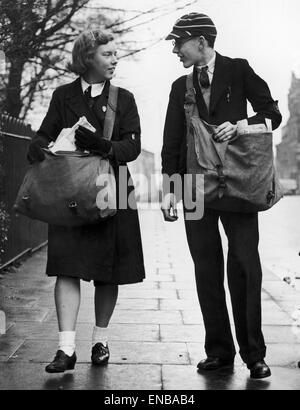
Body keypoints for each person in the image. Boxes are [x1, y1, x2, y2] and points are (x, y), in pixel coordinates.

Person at [161, 13, 282, 379]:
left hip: (238, 186)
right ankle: (219, 352)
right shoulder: (179, 86)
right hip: (195, 190)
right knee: (206, 269)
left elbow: (272, 114)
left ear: (201, 41)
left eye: (178, 42)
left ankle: (253, 354)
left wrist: (241, 124)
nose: (174, 49)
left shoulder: (239, 69)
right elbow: (171, 143)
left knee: (245, 265)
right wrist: (170, 189)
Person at [27, 29, 145, 373]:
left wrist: (102, 145)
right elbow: (46, 133)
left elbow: (132, 147)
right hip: (71, 195)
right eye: (107, 54)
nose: (115, 60)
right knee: (67, 268)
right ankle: (65, 349)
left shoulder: (124, 98)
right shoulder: (62, 96)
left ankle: (100, 340)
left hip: (114, 192)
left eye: (115, 54)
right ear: (87, 58)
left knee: (108, 273)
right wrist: (37, 143)